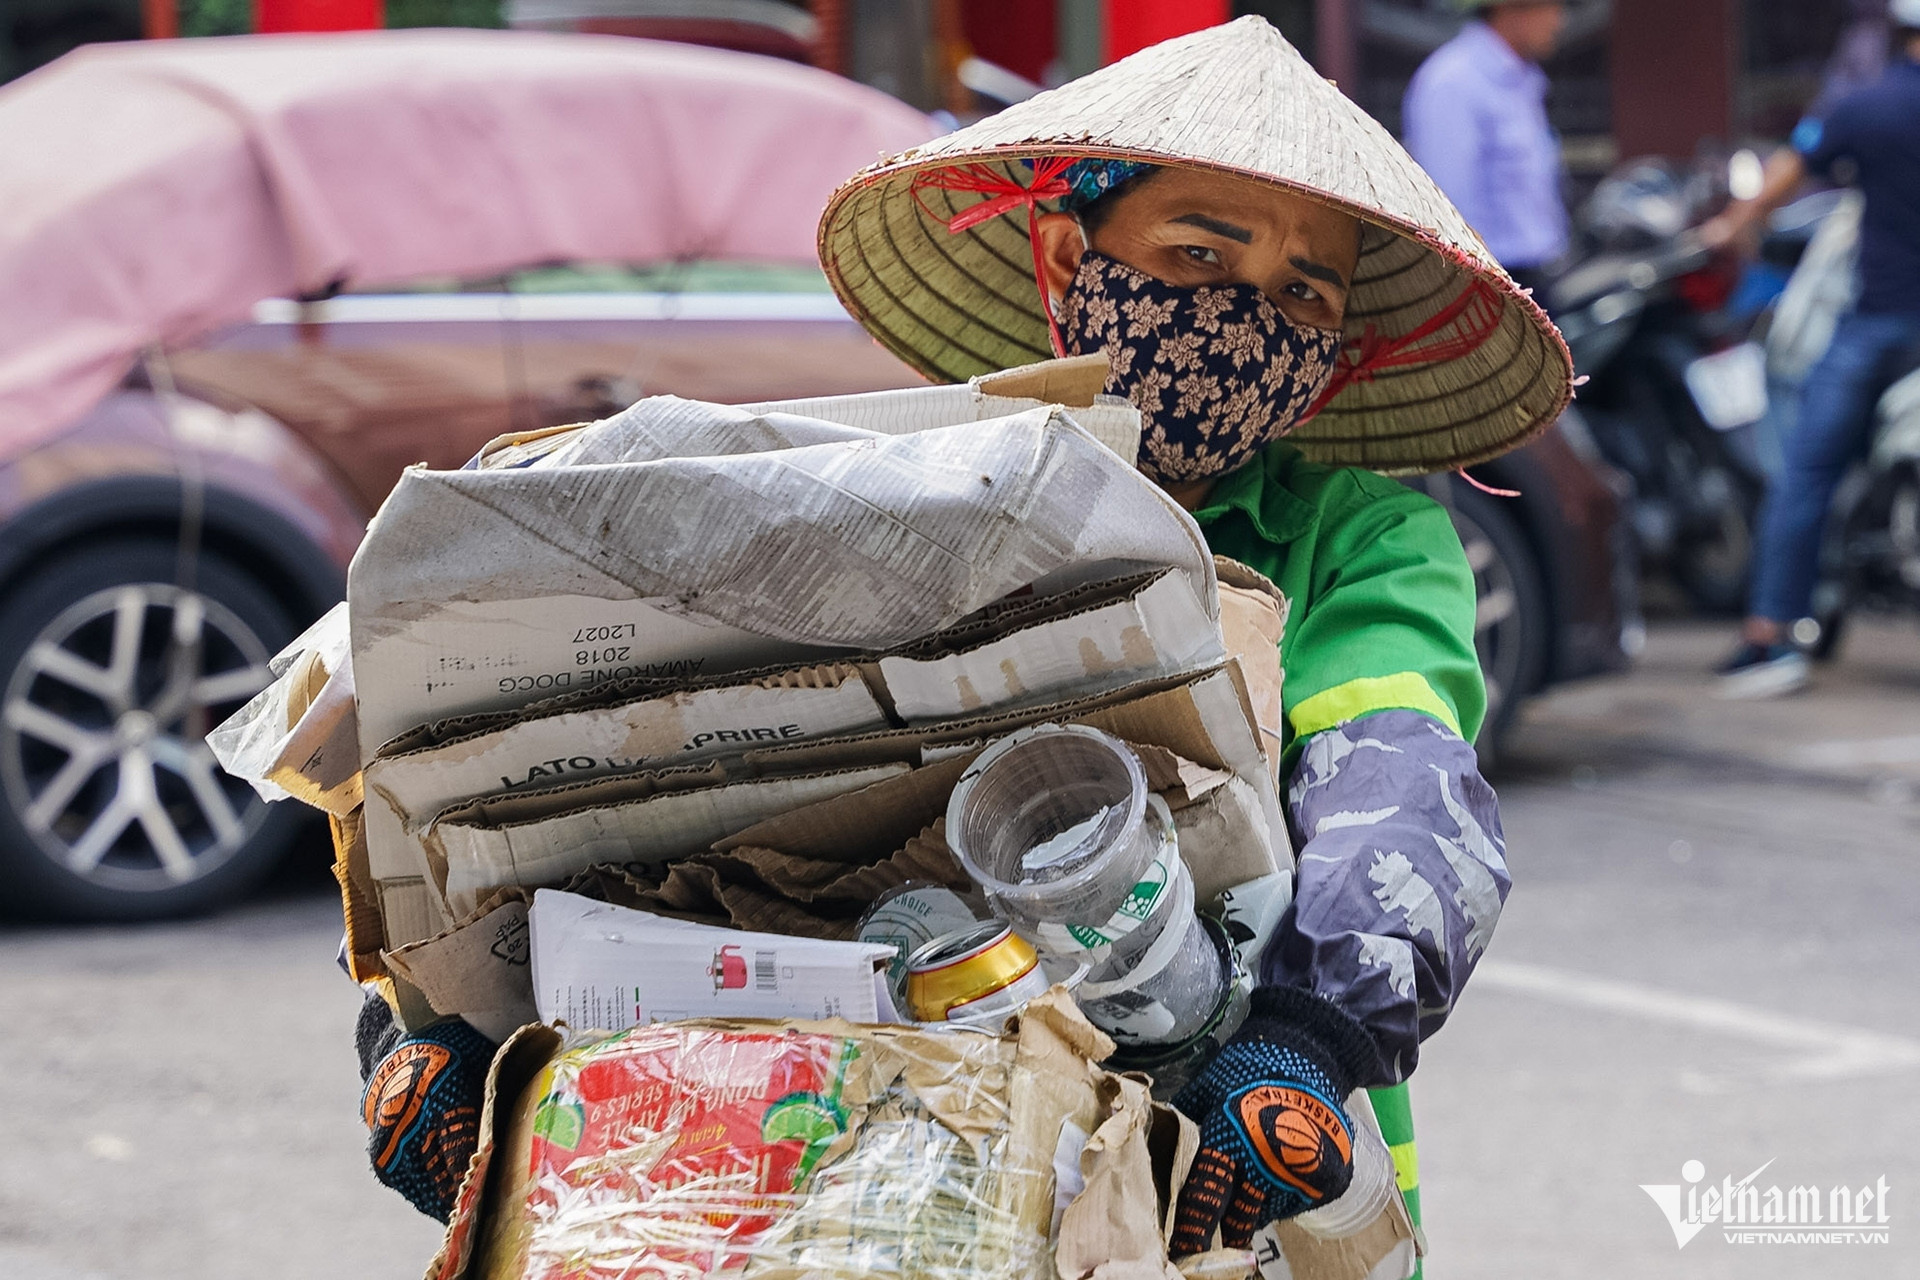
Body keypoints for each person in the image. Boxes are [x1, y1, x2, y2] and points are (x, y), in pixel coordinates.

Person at [356, 17, 1574, 1260]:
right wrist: (429, 1030)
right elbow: (664, 801)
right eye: (1200, 252)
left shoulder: (1366, 541)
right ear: (1069, 255)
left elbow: (1401, 793)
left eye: (1301, 292)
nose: (1243, 315)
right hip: (918, 1175)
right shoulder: (923, 492)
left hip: (1252, 1172)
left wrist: (1306, 1042)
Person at [1703, 0, 1920, 697]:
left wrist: (1732, 225)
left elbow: (1788, 173)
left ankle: (1769, 636)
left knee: (1805, 474)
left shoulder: (1868, 106)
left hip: (1878, 328)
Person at [1401, 1, 1570, 298]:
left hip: (1537, 275)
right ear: (1512, 9)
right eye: (1551, 8)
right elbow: (1449, 209)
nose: (1559, 22)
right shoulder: (1453, 81)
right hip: (1486, 285)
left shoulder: (1523, 78)